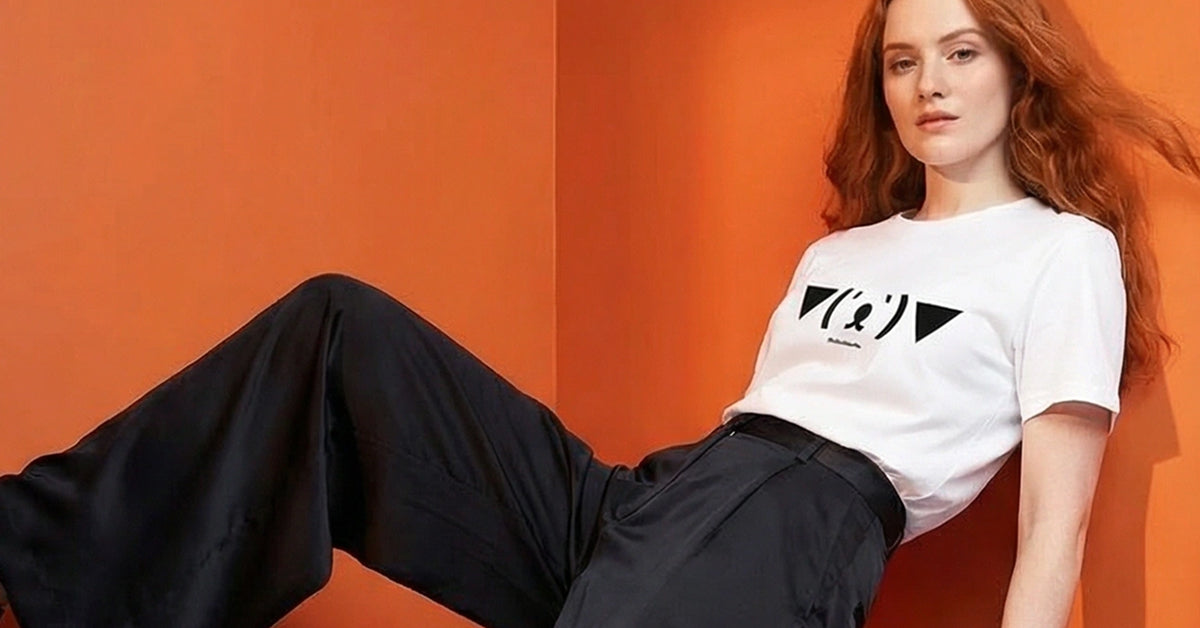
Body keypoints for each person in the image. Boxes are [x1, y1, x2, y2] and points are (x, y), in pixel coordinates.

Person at [2, 0, 1198, 625]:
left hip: (797, 528)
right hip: (661, 498)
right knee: (338, 330)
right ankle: (30, 552)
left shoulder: (1062, 253)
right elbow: (746, 442)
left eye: (962, 52)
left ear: (1017, 64)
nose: (928, 83)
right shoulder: (842, 252)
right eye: (902, 59)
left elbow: (1052, 538)